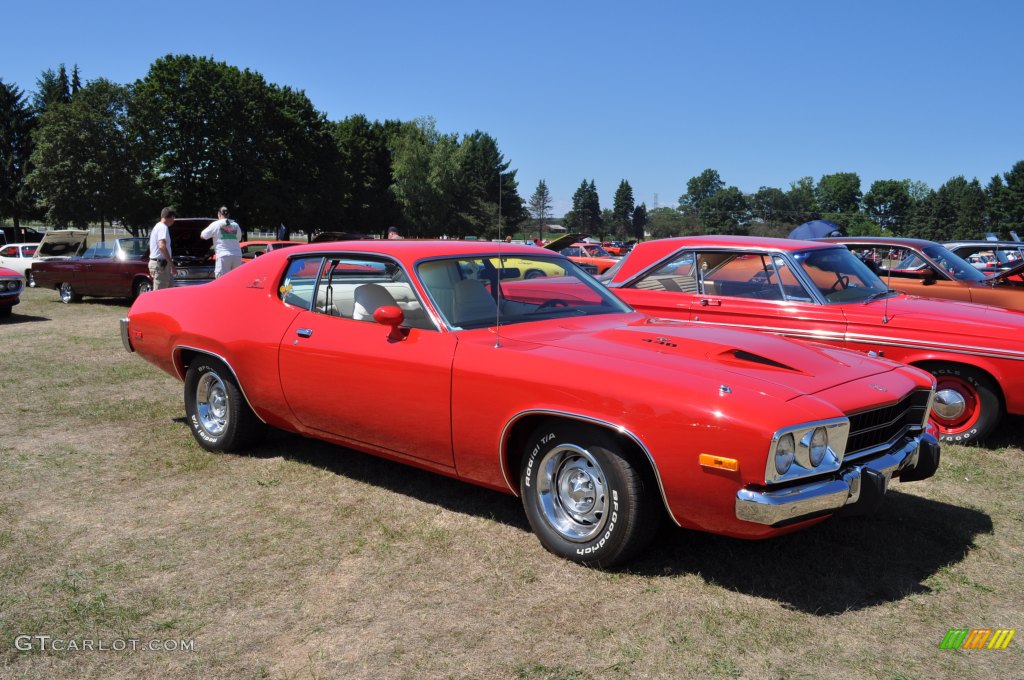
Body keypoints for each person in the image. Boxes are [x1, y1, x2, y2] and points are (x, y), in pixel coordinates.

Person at [202, 207, 244, 277]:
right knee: (236, 279)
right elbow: (238, 238)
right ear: (228, 215)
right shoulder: (236, 225)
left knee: (221, 280)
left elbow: (203, 235)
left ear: (219, 214)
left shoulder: (216, 224)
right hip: (237, 255)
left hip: (223, 256)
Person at [148, 207, 176, 290]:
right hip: (161, 266)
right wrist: (171, 263)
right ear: (171, 217)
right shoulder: (163, 227)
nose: (173, 220)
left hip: (161, 265)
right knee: (159, 295)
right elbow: (162, 246)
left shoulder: (158, 226)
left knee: (169, 292)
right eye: (173, 218)